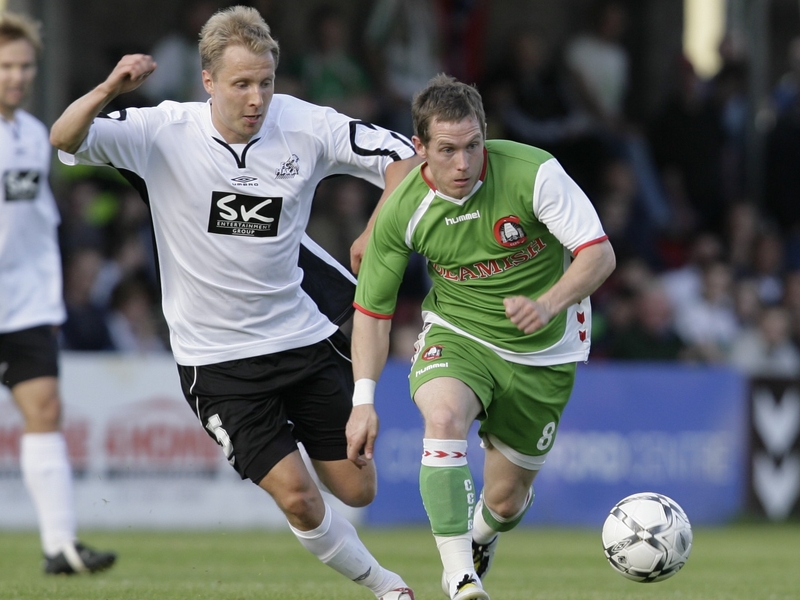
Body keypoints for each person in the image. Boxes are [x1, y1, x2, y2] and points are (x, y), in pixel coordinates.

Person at [50, 6, 419, 600]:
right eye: (241, 84)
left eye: (265, 83)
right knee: (298, 497)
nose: (256, 98)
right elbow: (64, 137)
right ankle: (389, 588)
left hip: (300, 338)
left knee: (358, 489)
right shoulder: (160, 130)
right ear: (208, 81)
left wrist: (375, 231)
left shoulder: (304, 124)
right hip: (217, 361)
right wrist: (110, 89)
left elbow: (406, 159)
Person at [346, 74, 616, 600]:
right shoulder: (403, 209)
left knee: (506, 501)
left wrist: (547, 304)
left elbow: (598, 254)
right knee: (444, 416)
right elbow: (372, 313)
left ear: (485, 134)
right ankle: (459, 576)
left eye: (473, 146)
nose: (463, 164)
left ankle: (481, 535)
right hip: (459, 332)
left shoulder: (534, 173)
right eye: (447, 150)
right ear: (420, 148)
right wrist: (363, 402)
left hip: (545, 348)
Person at [0, 11, 116, 575]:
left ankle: (61, 546)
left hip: (24, 307)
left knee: (45, 408)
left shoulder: (30, 133)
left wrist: (49, 299)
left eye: (25, 66)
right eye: (6, 66)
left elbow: (37, 226)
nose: (18, 77)